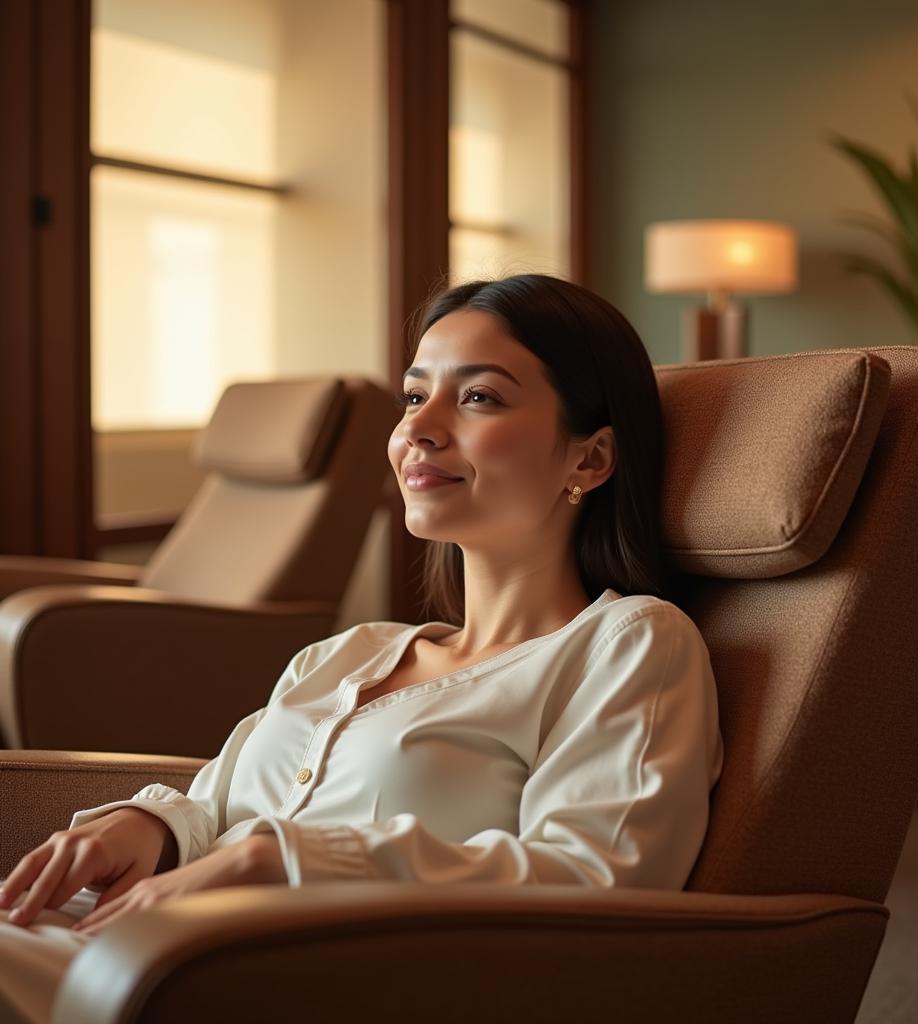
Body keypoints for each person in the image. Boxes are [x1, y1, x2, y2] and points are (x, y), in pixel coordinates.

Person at [0, 273, 724, 1022]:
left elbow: (599, 884)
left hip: (260, 984)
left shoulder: (630, 644)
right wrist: (148, 824)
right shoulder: (347, 653)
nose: (420, 427)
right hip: (112, 943)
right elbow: (211, 804)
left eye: (478, 397)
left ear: (590, 459)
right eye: (415, 397)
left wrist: (283, 861)